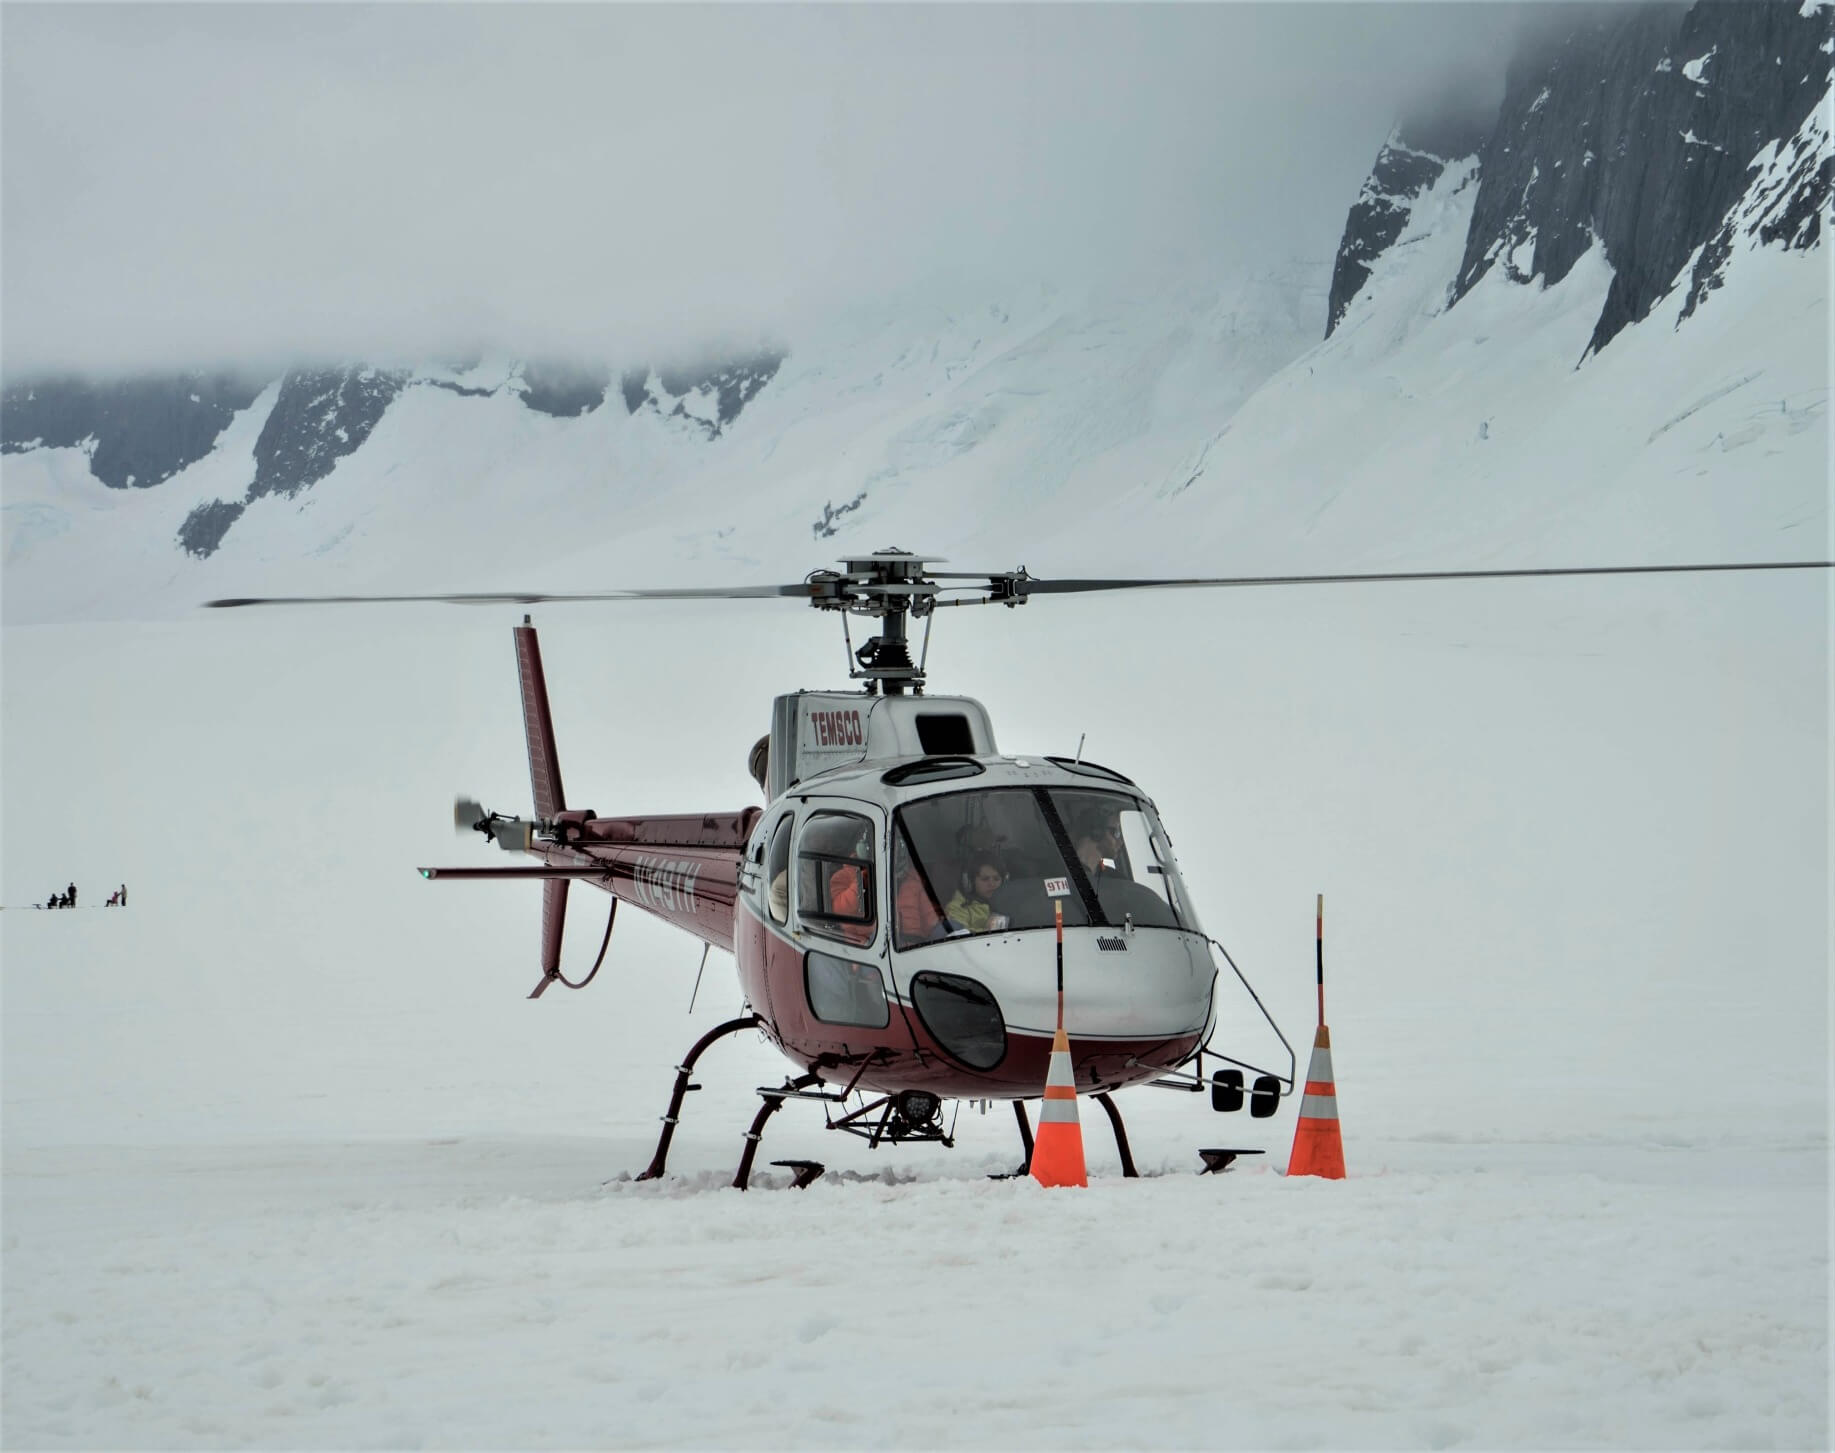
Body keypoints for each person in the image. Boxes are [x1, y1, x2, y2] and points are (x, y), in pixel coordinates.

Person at [945, 853, 1005, 933]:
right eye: (985, 879)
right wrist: (988, 931)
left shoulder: (1011, 902)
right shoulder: (957, 907)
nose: (992, 884)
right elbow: (958, 935)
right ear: (970, 882)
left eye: (996, 879)